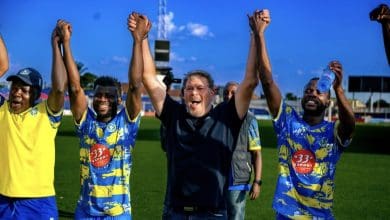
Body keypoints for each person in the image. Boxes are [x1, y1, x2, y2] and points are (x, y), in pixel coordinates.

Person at [141, 10, 260, 219]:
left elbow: (250, 81)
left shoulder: (226, 116)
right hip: (175, 213)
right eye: (188, 88)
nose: (193, 92)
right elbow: (149, 79)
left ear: (213, 93)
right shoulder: (174, 115)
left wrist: (256, 34)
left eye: (199, 88)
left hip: (212, 214)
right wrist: (142, 38)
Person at [249, 9, 356, 219]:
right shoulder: (287, 122)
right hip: (287, 214)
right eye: (308, 90)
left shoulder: (333, 132)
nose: (312, 94)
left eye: (319, 92)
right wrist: (260, 35)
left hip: (321, 215)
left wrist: (339, 89)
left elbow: (350, 125)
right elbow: (267, 81)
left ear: (328, 101)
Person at [58, 12, 148, 219]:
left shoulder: (127, 123)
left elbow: (135, 85)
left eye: (109, 95)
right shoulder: (85, 122)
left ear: (119, 99)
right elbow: (74, 87)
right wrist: (66, 44)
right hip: (85, 212)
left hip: (118, 214)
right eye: (98, 95)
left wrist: (137, 40)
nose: (102, 99)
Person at [0, 21, 68, 219]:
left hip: (38, 201)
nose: (17, 93)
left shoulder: (45, 114)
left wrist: (55, 45)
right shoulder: (2, 109)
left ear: (36, 94)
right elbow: (2, 65)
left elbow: (59, 88)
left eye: (24, 89)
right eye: (14, 87)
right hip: (3, 200)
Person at [223, 81, 262, 220]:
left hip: (238, 180)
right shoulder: (215, 116)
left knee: (236, 217)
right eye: (225, 93)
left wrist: (257, 182)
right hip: (216, 179)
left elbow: (256, 153)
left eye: (233, 93)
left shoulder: (250, 120)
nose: (228, 96)